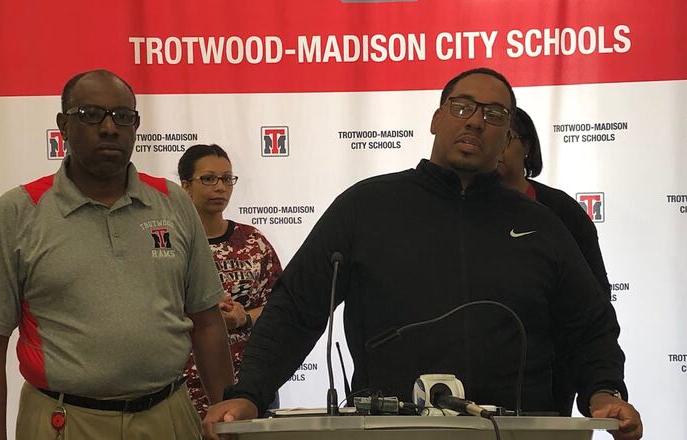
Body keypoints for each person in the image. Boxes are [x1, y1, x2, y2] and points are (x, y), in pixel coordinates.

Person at [203, 68, 642, 440]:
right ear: (436, 118)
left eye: (493, 115)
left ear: (508, 136)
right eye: (462, 106)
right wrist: (249, 393)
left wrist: (604, 391)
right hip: (388, 430)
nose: (474, 122)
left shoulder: (544, 224)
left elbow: (588, 326)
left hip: (510, 431)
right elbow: (296, 308)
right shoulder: (365, 207)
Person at [0, 69, 233, 440]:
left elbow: (208, 321)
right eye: (89, 115)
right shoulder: (20, 211)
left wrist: (226, 412)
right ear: (62, 125)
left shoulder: (172, 202)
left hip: (168, 417)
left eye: (122, 116)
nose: (108, 127)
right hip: (64, 421)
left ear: (135, 125)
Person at [498, 107, 613, 416]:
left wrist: (597, 386)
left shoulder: (560, 211)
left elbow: (593, 302)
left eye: (506, 137)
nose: (495, 144)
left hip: (548, 386)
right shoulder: (460, 210)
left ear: (528, 148)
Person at [177, 144, 283, 418]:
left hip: (248, 386)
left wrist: (243, 318)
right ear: (186, 185)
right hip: (182, 389)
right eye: (209, 178)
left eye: (227, 178)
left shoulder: (252, 241)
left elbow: (280, 307)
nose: (220, 187)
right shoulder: (171, 243)